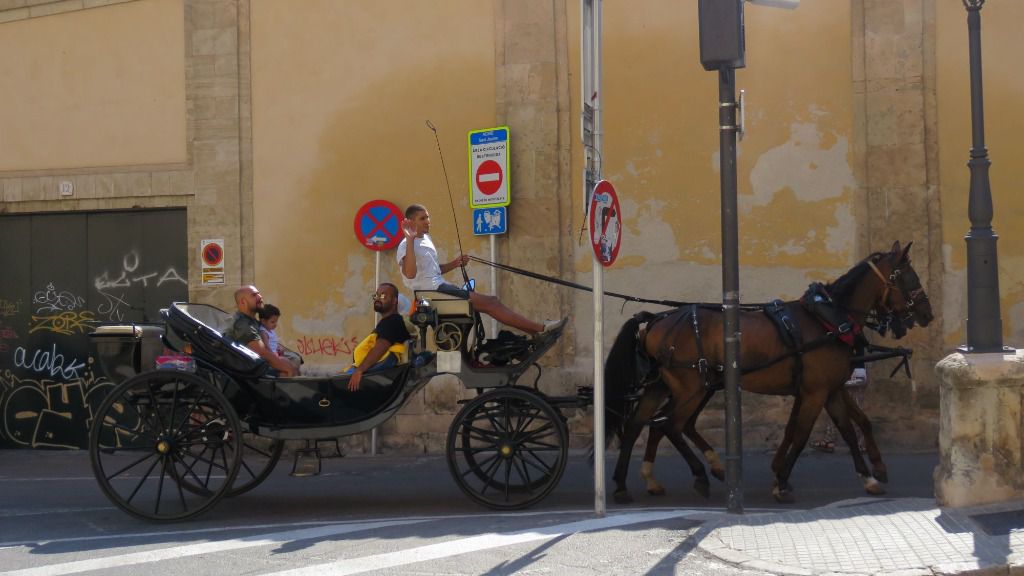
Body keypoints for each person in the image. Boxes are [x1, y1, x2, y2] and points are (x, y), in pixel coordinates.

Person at [397, 204, 564, 337]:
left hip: (440, 287)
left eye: (428, 217)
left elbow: (433, 270)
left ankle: (535, 332)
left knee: (491, 302)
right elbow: (410, 273)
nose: (428, 221)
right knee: (491, 303)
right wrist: (410, 240)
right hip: (432, 293)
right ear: (411, 222)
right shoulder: (406, 245)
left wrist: (455, 263)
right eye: (422, 218)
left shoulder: (426, 238)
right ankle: (540, 329)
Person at [346, 283, 412, 391]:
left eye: (383, 295)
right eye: (376, 295)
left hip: (367, 375)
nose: (377, 299)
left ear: (395, 301)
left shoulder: (392, 321)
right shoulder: (390, 321)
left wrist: (359, 370)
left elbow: (381, 346)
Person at [224, 285, 296, 377]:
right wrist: (286, 367)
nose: (260, 297)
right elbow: (262, 352)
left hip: (254, 365)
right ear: (243, 302)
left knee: (291, 360)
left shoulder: (251, 321)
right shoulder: (243, 324)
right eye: (254, 295)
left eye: (259, 294)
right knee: (286, 371)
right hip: (246, 371)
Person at [259, 303, 301, 374]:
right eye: (272, 322)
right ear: (263, 321)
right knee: (287, 363)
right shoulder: (264, 332)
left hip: (276, 352)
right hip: (272, 355)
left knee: (295, 359)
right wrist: (274, 356)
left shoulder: (270, 329)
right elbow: (266, 346)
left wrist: (278, 348)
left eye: (276, 321)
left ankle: (295, 374)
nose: (275, 324)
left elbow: (273, 342)